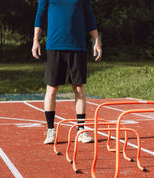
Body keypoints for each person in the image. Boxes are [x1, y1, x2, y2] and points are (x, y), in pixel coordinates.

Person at [32, 0, 102, 144]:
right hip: (54, 46)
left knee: (79, 89)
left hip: (77, 47)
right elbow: (40, 14)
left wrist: (96, 41)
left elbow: (89, 16)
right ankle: (51, 130)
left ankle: (81, 130)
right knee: (51, 90)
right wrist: (35, 40)